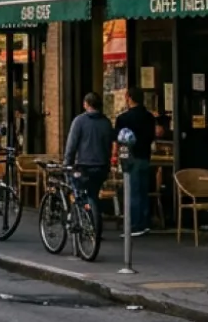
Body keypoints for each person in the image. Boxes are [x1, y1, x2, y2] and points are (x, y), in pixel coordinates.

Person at [111, 90, 158, 235]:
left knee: (132, 191)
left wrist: (115, 156)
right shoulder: (149, 117)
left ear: (129, 98)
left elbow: (118, 140)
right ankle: (144, 221)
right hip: (145, 156)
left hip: (130, 157)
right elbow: (152, 136)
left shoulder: (124, 118)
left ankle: (134, 224)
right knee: (143, 190)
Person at [63, 92, 114, 217]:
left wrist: (67, 163)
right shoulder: (106, 122)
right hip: (101, 166)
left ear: (86, 104)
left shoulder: (79, 121)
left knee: (77, 190)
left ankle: (82, 217)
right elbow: (109, 145)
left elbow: (71, 145)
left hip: (84, 165)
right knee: (94, 194)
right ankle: (94, 221)